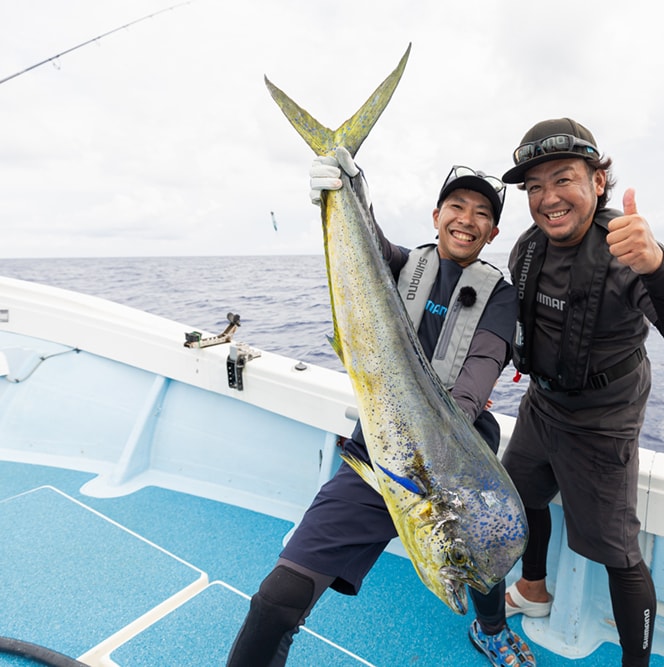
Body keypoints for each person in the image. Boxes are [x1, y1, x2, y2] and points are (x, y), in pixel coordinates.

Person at [227, 150, 536, 667]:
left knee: (483, 552)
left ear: (494, 234)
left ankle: (491, 628)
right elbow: (360, 240)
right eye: (456, 206)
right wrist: (344, 185)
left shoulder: (500, 298)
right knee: (276, 600)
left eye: (483, 214)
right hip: (379, 452)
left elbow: (481, 368)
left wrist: (442, 436)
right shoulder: (400, 263)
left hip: (460, 455)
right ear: (436, 217)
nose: (467, 220)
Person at [498, 119, 664, 667]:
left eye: (563, 179)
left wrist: (659, 266)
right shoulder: (528, 247)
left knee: (618, 555)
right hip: (541, 406)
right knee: (518, 496)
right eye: (534, 187)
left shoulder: (627, 250)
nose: (548, 199)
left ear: (598, 181)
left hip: (601, 422)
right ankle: (534, 588)